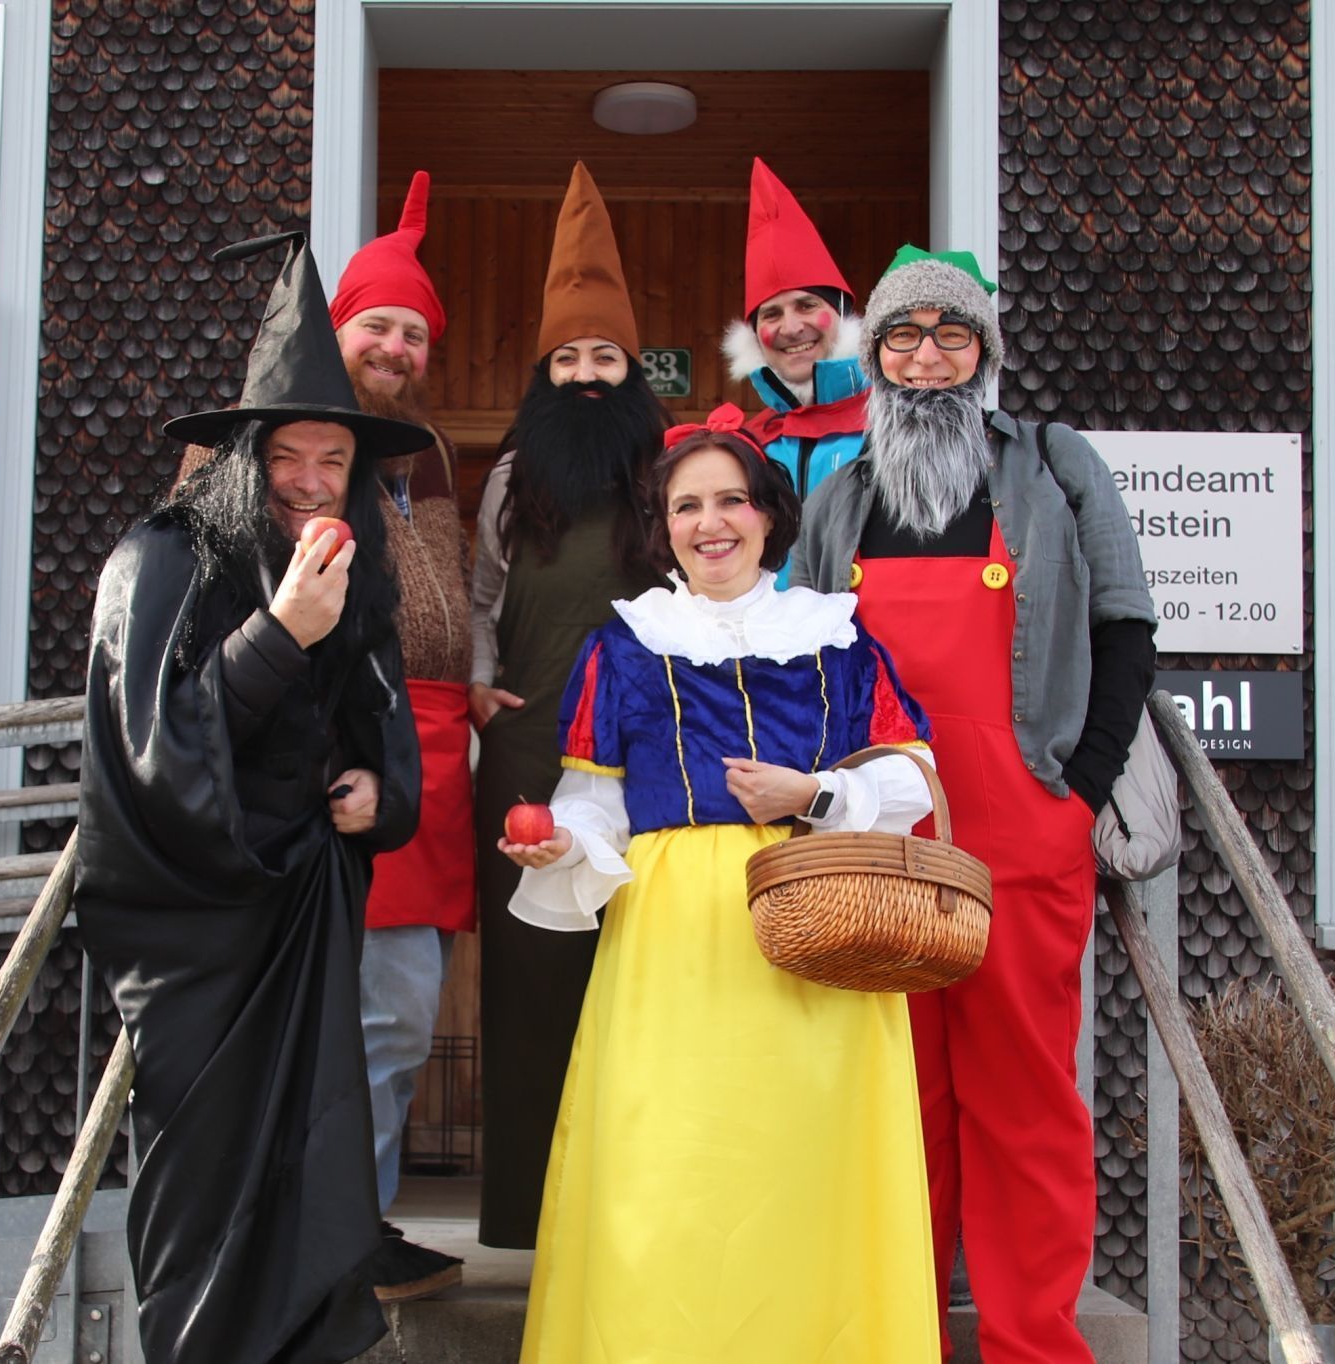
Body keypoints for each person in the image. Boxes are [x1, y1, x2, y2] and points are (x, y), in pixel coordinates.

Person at [501, 405, 943, 1363]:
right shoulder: (623, 647)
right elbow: (591, 806)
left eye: (731, 501)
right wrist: (561, 851)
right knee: (668, 1172)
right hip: (673, 948)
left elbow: (913, 777)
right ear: (662, 527)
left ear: (768, 517)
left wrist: (818, 792)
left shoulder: (838, 639)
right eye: (687, 505)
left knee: (810, 1175)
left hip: (815, 927)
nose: (711, 522)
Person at [792, 246, 1157, 1364]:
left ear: (983, 353)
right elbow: (801, 658)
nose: (926, 355)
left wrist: (1075, 789)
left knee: (1023, 1096)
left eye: (952, 333)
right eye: (903, 336)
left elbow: (1124, 632)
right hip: (877, 830)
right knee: (896, 1100)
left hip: (1020, 823)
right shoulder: (839, 495)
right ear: (878, 358)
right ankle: (896, 1332)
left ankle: (1030, 1340)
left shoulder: (1055, 467)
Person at [75, 231, 429, 1364]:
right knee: (207, 1175)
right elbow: (154, 751)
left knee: (311, 1167)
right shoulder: (161, 562)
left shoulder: (352, 570)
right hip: (198, 934)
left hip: (303, 916)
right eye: (293, 455)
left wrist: (388, 792)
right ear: (245, 456)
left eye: (336, 460)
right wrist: (279, 636)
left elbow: (384, 717)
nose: (316, 480)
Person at [468, 161, 668, 1249]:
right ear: (544, 372)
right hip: (531, 749)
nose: (586, 375)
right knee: (533, 972)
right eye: (567, 358)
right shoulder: (510, 478)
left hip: (648, 753)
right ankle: (532, 1210)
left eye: (604, 357)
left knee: (642, 969)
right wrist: (479, 685)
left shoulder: (669, 475)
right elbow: (481, 597)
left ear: (630, 369)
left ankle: (634, 1207)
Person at [326, 169, 471, 1301]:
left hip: (428, 771)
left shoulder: (423, 459)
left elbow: (449, 604)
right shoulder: (284, 445)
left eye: (412, 331)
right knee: (345, 1014)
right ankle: (315, 1237)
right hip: (331, 761)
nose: (394, 344)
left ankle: (354, 1226)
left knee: (398, 1019)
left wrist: (485, 684)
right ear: (338, 329)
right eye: (377, 322)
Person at [720, 158, 869, 548]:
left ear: (840, 314)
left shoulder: (896, 425)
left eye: (806, 306)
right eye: (772, 314)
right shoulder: (750, 444)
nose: (790, 328)